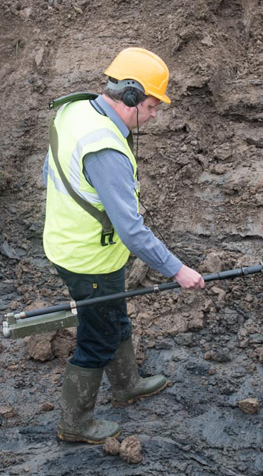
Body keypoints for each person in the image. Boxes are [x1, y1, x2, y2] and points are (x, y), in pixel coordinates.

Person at [42, 47, 205, 444]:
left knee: (114, 315)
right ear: (129, 97)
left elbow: (51, 168)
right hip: (87, 258)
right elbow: (132, 232)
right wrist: (177, 270)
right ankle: (75, 424)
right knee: (97, 337)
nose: (153, 115)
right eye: (151, 106)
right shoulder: (106, 148)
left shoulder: (76, 110)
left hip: (74, 243)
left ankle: (127, 384)